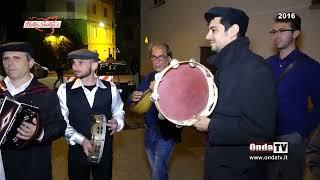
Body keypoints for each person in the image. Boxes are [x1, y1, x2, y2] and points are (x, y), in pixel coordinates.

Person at [193, 7, 277, 180]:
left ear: (233, 31)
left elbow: (262, 130)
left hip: (240, 171)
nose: (208, 36)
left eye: (213, 30)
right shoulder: (224, 67)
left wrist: (211, 126)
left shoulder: (254, 68)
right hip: (220, 164)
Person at [0, 41, 67, 180]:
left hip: (32, 168)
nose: (10, 63)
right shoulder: (1, 90)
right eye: (6, 58)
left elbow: (60, 125)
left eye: (16, 58)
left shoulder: (45, 94)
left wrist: (39, 132)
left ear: (30, 63)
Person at [266, 13, 320, 180]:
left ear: (296, 33)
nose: (276, 35)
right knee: (264, 175)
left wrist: (301, 131)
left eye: (282, 30)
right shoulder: (266, 64)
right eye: (274, 32)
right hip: (265, 136)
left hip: (292, 139)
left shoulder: (311, 66)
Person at [57, 49, 125, 180]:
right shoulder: (64, 90)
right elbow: (62, 121)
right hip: (77, 151)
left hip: (104, 150)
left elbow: (118, 110)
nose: (75, 67)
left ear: (94, 65)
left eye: (81, 63)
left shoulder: (110, 88)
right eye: (73, 63)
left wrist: (117, 122)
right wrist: (81, 140)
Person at [129, 43, 182, 180]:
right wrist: (133, 97)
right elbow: (133, 101)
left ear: (169, 59)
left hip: (167, 132)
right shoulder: (149, 77)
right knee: (158, 171)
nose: (157, 61)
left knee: (158, 173)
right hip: (149, 130)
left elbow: (181, 103)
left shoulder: (178, 77)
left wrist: (160, 88)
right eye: (154, 57)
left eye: (161, 57)